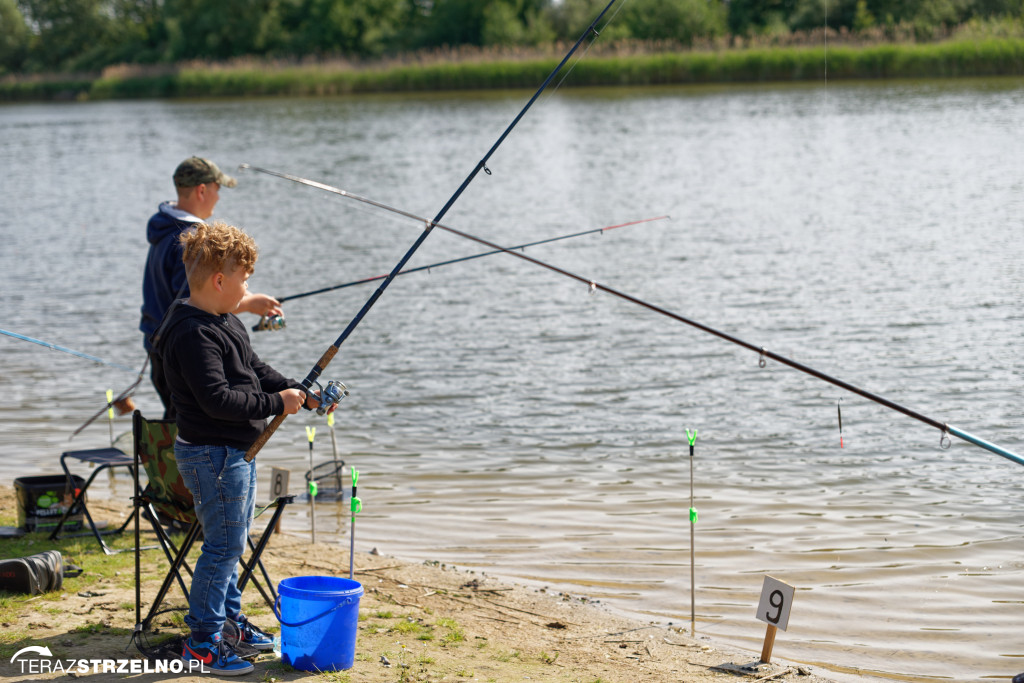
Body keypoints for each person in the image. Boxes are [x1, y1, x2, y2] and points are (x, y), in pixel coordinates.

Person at [158, 220, 314, 675]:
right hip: (214, 455)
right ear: (220, 280)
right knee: (222, 548)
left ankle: (230, 623)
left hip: (234, 454)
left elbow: (253, 368)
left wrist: (298, 391)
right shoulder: (192, 333)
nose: (248, 289)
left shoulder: (223, 318)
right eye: (244, 279)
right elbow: (218, 399)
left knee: (232, 541)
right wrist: (275, 404)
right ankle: (203, 642)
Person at [140, 156, 282, 419]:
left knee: (180, 419)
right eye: (218, 189)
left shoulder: (164, 226)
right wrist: (250, 304)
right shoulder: (189, 239)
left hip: (160, 343)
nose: (218, 198)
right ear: (202, 190)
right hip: (182, 348)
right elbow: (195, 300)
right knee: (190, 421)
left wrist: (247, 295)